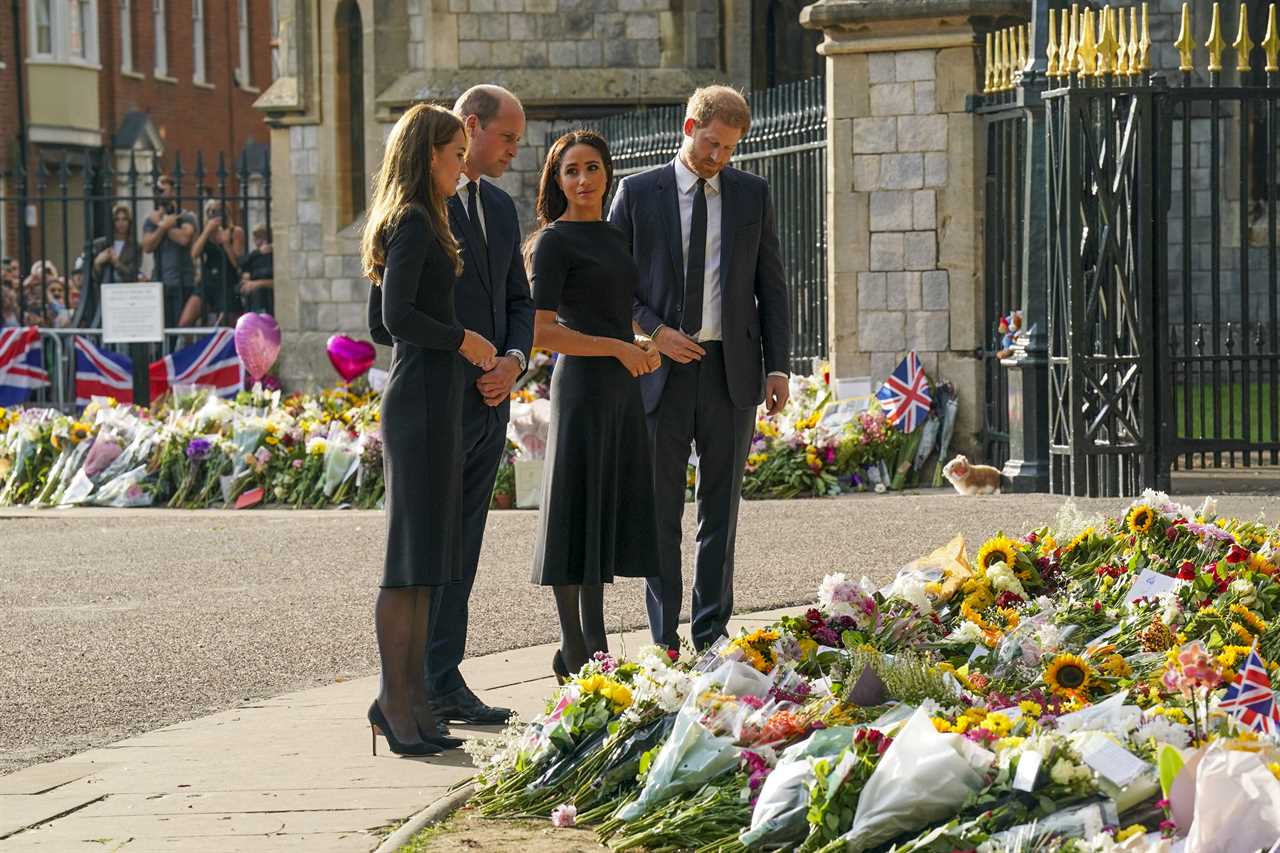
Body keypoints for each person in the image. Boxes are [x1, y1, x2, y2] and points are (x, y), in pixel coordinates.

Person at [608, 86, 792, 652]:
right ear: (689, 127)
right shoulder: (637, 193)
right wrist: (655, 332)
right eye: (712, 144)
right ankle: (663, 637)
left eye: (730, 148)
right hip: (659, 367)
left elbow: (772, 285)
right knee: (660, 508)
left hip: (729, 370)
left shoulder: (750, 194)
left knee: (721, 510)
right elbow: (612, 285)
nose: (719, 158)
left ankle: (711, 632)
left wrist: (778, 367)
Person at [361, 102, 498, 756]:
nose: (460, 165)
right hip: (419, 400)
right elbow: (393, 318)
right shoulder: (413, 221)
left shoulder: (424, 221)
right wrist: (463, 338)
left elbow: (377, 319)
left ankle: (411, 697)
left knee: (428, 563)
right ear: (427, 157)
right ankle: (394, 700)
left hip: (434, 399)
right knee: (408, 562)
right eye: (452, 155)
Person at [526, 130, 661, 679]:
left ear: (607, 173)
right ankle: (575, 643)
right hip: (582, 383)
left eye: (591, 168)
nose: (583, 180)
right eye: (570, 171)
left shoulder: (615, 236)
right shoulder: (553, 242)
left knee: (604, 505)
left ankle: (592, 638)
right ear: (557, 182)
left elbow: (617, 308)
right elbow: (542, 332)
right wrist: (616, 347)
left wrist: (642, 341)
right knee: (574, 507)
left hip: (620, 386)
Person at [422, 84, 535, 728]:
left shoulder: (498, 205)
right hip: (440, 402)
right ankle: (419, 682)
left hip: (491, 402)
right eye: (508, 138)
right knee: (431, 548)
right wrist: (471, 357)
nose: (515, 153)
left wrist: (513, 364)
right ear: (471, 127)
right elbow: (399, 317)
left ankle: (446, 675)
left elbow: (519, 300)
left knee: (465, 545)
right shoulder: (423, 205)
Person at [141, 174, 197, 327]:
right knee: (161, 329)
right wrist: (162, 226)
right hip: (160, 281)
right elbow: (147, 246)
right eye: (158, 191)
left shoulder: (185, 216)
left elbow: (185, 238)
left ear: (173, 192)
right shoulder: (151, 220)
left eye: (164, 190)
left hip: (183, 280)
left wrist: (162, 224)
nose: (161, 195)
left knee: (182, 329)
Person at [184, 200, 246, 326]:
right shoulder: (205, 231)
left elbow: (237, 264)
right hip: (208, 280)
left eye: (218, 211)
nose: (214, 214)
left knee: (224, 324)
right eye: (211, 211)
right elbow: (194, 254)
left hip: (227, 281)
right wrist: (207, 232)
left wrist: (226, 243)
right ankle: (191, 345)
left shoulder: (235, 231)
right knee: (185, 321)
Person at [94, 203, 142, 284]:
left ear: (129, 222)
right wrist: (97, 262)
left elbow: (133, 275)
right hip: (103, 292)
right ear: (112, 222)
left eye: (124, 219)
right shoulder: (99, 244)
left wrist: (117, 263)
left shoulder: (136, 246)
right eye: (117, 219)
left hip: (124, 292)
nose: (121, 223)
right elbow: (91, 277)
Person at [239, 224, 275, 315]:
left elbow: (280, 283)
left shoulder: (275, 257)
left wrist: (259, 283)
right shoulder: (253, 257)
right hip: (254, 302)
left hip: (271, 301)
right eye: (256, 238)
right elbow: (241, 264)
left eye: (262, 238)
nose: (259, 242)